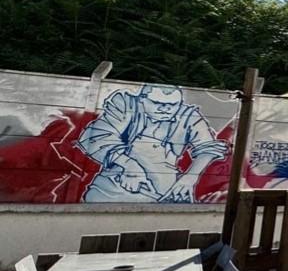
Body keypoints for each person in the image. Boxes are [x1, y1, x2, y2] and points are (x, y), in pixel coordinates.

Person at [77, 85, 228, 202]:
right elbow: (98, 136)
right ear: (142, 100)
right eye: (157, 103)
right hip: (112, 189)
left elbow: (208, 147)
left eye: (173, 105)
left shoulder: (187, 114)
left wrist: (189, 178)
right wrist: (130, 166)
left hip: (165, 194)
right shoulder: (126, 104)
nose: (166, 109)